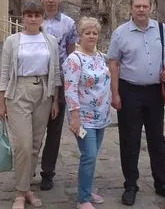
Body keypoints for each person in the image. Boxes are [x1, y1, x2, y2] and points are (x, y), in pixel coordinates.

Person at [106, 0, 165, 206]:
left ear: (150, 8)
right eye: (137, 6)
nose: (141, 9)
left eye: (144, 6)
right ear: (131, 8)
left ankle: (161, 183)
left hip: (155, 91)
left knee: (157, 138)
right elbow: (113, 63)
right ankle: (130, 185)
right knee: (130, 139)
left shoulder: (161, 29)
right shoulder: (120, 33)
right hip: (130, 91)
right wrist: (115, 93)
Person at [0, 1, 62, 209]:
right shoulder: (12, 41)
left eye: (37, 15)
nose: (33, 19)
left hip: (43, 91)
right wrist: (2, 103)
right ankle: (19, 192)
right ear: (23, 17)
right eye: (29, 15)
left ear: (42, 18)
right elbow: (5, 73)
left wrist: (55, 99)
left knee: (35, 145)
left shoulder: (50, 41)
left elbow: (55, 72)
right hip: (19, 91)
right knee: (23, 144)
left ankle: (25, 189)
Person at [63, 17, 111, 209]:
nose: (91, 36)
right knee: (88, 155)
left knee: (92, 155)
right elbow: (70, 89)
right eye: (87, 33)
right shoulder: (74, 60)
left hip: (101, 115)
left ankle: (87, 189)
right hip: (83, 117)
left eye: (94, 33)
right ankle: (82, 199)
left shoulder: (100, 57)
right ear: (80, 36)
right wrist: (74, 117)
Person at [37, 0, 79, 190]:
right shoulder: (35, 21)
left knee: (54, 130)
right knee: (34, 127)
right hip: (37, 80)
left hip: (59, 82)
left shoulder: (69, 24)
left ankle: (48, 171)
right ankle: (28, 167)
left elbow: (71, 54)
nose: (51, 0)